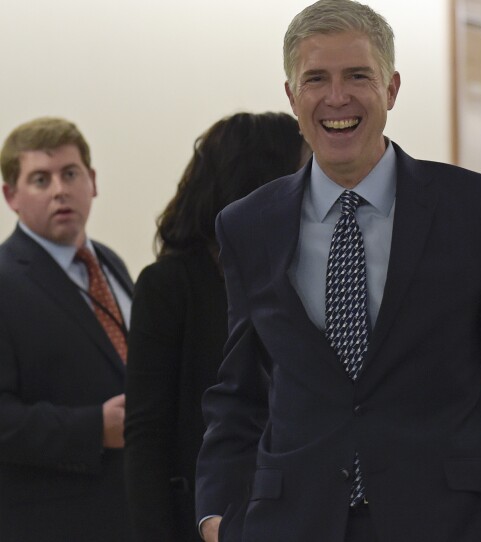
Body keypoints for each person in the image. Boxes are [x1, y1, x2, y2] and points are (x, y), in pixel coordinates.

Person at [195, 1, 481, 541]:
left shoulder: (474, 210)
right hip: (294, 524)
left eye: (358, 76)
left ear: (391, 89)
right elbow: (237, 391)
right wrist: (217, 516)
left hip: (454, 523)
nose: (337, 97)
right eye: (316, 79)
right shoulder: (248, 226)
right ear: (292, 96)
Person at [124, 112, 309, 542]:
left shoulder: (300, 271)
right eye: (302, 170)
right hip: (208, 517)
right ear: (263, 180)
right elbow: (147, 438)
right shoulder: (169, 284)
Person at [0, 117, 132, 541]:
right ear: (11, 196)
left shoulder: (110, 262)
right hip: (50, 522)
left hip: (130, 512)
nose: (60, 190)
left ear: (91, 181)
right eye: (40, 179)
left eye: (70, 174)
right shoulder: (4, 279)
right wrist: (93, 428)